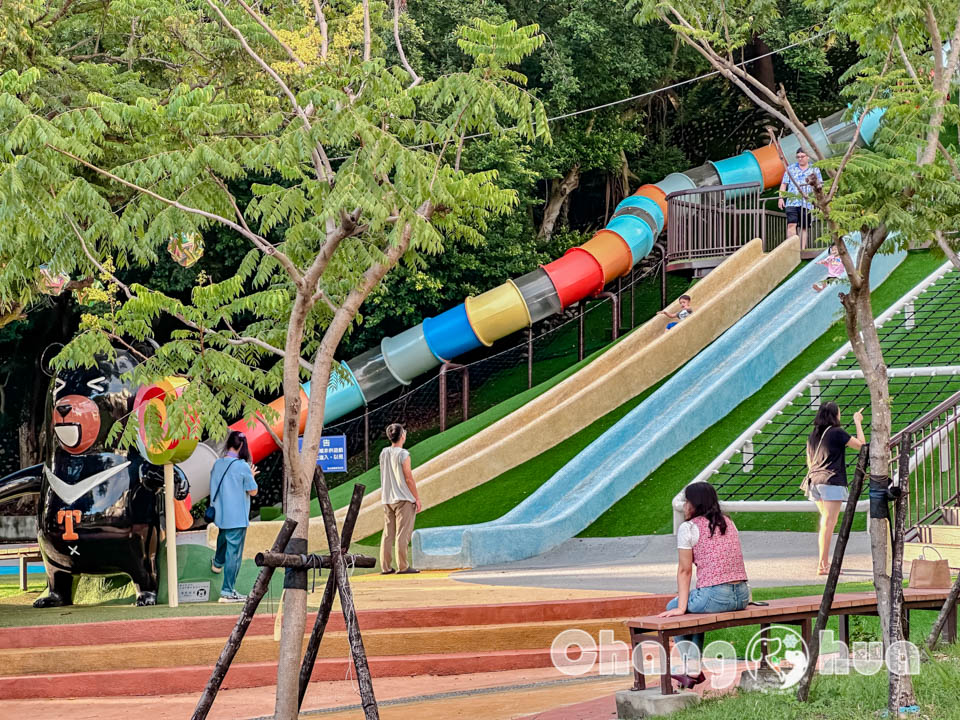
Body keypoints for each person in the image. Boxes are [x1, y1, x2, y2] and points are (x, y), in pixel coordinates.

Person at [658, 482, 749, 689]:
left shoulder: (688, 528)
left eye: (686, 501)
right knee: (692, 612)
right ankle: (692, 669)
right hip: (742, 595)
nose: (684, 506)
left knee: (675, 609)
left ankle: (692, 667)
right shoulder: (728, 522)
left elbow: (684, 570)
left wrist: (681, 607)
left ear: (694, 503)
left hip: (716, 596)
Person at [804, 401, 865, 575]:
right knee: (828, 523)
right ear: (835, 415)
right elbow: (861, 446)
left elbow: (809, 460)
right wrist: (857, 421)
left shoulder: (813, 435)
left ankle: (823, 562)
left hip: (814, 481)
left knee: (826, 522)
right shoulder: (836, 432)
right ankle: (823, 564)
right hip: (831, 481)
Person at [209, 430, 259, 602]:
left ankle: (216, 563)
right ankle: (227, 591)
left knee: (223, 538)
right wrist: (251, 476)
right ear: (243, 446)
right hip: (237, 517)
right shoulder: (243, 467)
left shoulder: (217, 464)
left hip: (220, 514)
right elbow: (253, 491)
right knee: (234, 555)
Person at [380, 423, 421, 575]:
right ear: (402, 436)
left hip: (387, 498)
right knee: (402, 533)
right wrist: (416, 498)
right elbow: (408, 477)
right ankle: (403, 566)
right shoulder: (403, 454)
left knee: (388, 533)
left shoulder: (384, 452)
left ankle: (385, 567)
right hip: (403, 498)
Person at [778, 149, 823, 249]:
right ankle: (792, 248)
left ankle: (802, 249)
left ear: (807, 157)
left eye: (802, 156)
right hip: (792, 201)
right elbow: (784, 184)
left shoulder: (814, 169)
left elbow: (820, 185)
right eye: (798, 157)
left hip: (807, 202)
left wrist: (818, 200)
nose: (800, 159)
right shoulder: (791, 168)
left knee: (804, 227)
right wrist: (781, 198)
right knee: (791, 224)